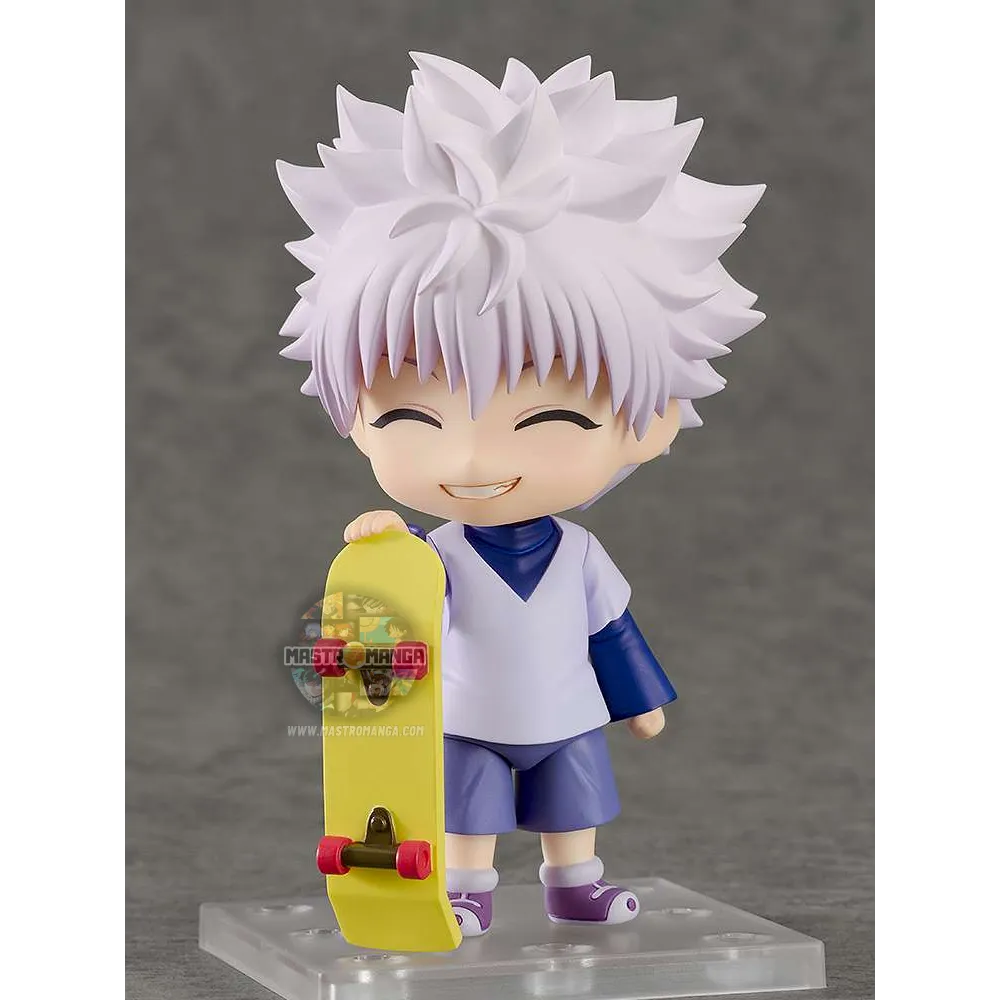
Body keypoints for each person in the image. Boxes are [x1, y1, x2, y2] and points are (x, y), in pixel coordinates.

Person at [277, 52, 763, 935]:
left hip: (566, 716)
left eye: (547, 419)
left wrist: (641, 701)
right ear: (353, 417)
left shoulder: (579, 554)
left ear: (652, 423)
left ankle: (574, 884)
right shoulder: (435, 554)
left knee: (572, 806)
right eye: (412, 416)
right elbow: (389, 630)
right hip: (466, 716)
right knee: (465, 813)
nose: (468, 457)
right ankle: (465, 889)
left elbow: (612, 631)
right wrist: (382, 554)